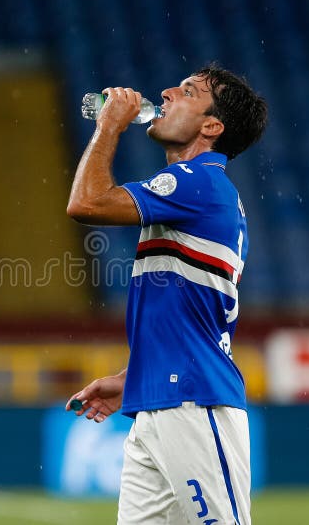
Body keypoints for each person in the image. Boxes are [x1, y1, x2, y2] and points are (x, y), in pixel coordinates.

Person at [65, 64, 268, 525]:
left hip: (194, 402)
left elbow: (86, 203)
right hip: (159, 399)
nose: (166, 91)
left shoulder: (198, 182)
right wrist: (134, 375)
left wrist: (110, 125)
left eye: (188, 91)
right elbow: (186, 314)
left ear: (211, 126)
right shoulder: (195, 192)